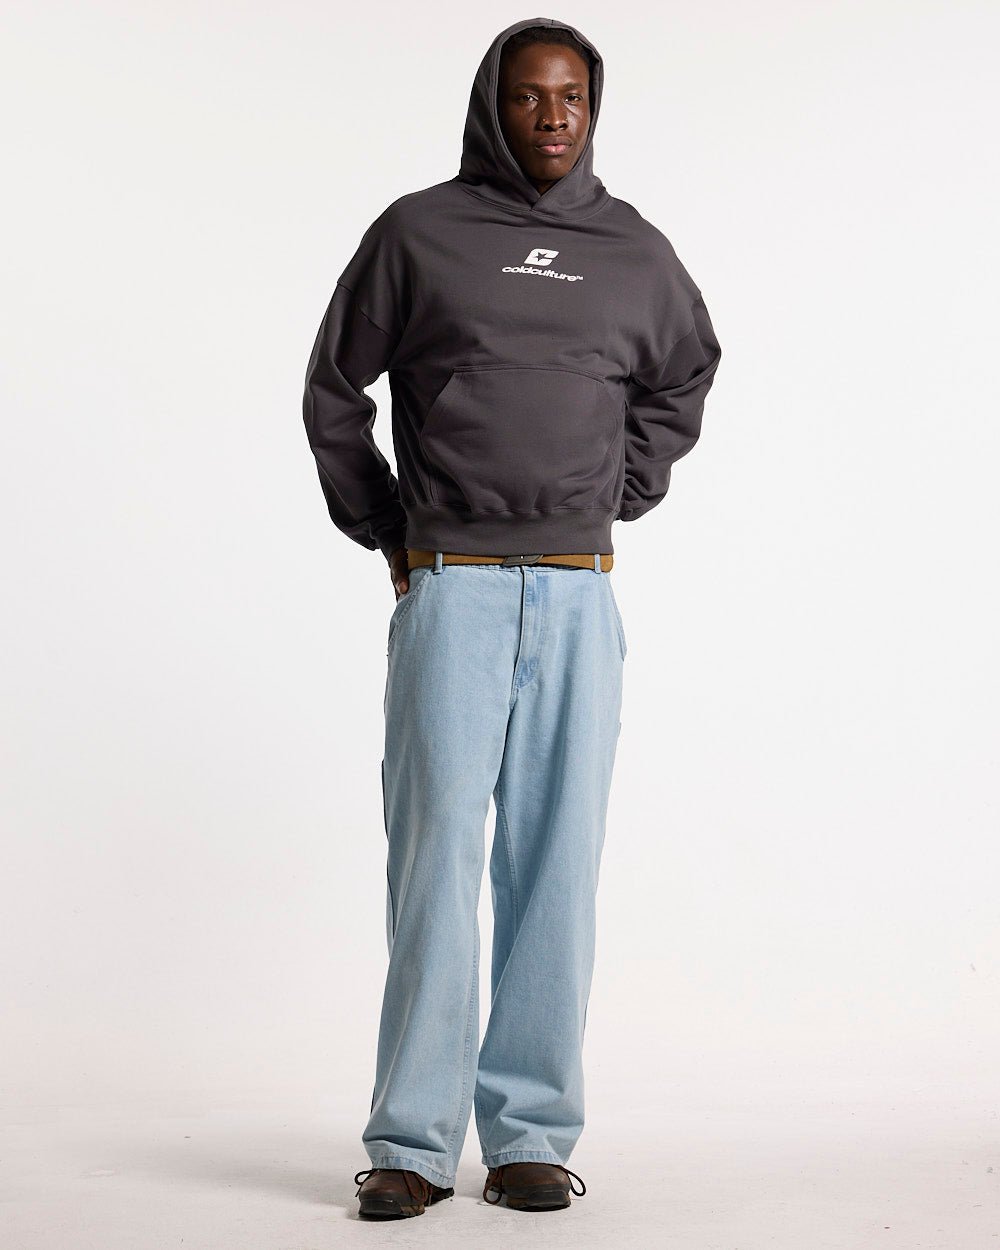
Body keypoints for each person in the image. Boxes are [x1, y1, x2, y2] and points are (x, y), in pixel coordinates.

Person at [301, 16, 721, 1220]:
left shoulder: (632, 249)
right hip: (453, 587)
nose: (552, 116)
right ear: (494, 103)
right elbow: (333, 388)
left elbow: (687, 369)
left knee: (555, 867)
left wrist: (621, 488)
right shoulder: (418, 234)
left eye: (571, 96)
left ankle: (531, 1131)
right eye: (531, 95)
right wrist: (387, 526)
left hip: (579, 591)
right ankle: (412, 1141)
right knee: (433, 863)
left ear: (594, 107)